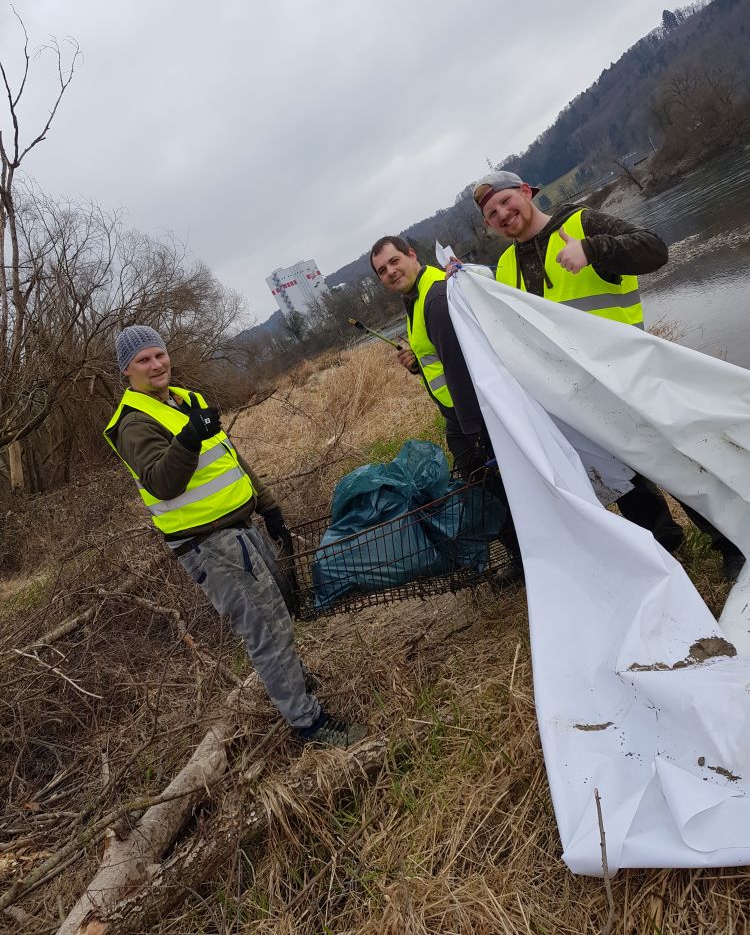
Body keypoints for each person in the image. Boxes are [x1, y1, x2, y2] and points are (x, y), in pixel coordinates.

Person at [469, 170, 745, 582]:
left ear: (526, 192)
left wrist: (593, 250)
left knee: (679, 462)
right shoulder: (506, 266)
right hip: (578, 393)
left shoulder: (581, 223)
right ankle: (663, 542)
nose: (503, 214)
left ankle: (731, 544)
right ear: (489, 224)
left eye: (506, 202)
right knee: (621, 473)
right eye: (492, 214)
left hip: (631, 375)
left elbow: (654, 249)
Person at [103, 325, 366, 747]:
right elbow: (163, 483)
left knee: (279, 609)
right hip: (209, 544)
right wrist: (190, 436)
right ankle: (309, 725)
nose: (155, 365)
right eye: (143, 360)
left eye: (159, 354)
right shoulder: (134, 423)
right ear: (126, 371)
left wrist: (268, 505)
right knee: (265, 628)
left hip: (241, 528)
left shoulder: (187, 400)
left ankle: (294, 681)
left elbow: (229, 458)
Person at [370, 236, 520, 561]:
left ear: (412, 254)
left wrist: (474, 431)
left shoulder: (434, 297)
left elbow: (459, 366)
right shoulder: (415, 297)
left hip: (473, 414)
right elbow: (437, 355)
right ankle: (520, 552)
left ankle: (524, 553)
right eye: (382, 270)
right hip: (460, 413)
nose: (390, 272)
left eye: (394, 261)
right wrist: (416, 364)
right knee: (485, 487)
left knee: (492, 488)